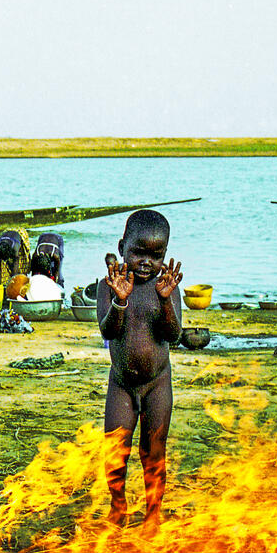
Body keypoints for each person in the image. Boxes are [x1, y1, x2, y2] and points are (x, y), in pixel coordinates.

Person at [97, 209, 183, 523]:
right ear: (122, 247)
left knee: (153, 451)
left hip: (158, 383)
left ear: (164, 255)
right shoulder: (110, 284)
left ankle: (154, 513)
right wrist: (120, 300)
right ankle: (118, 506)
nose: (146, 262)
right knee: (116, 449)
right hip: (122, 382)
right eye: (138, 253)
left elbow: (173, 335)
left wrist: (165, 301)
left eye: (156, 255)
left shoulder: (166, 287)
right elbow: (108, 332)